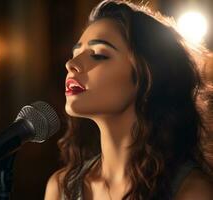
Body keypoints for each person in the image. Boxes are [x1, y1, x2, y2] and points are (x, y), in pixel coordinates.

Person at [45, 0, 213, 199]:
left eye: (98, 55)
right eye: (75, 54)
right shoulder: (62, 188)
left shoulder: (191, 192)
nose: (71, 64)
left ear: (148, 75)